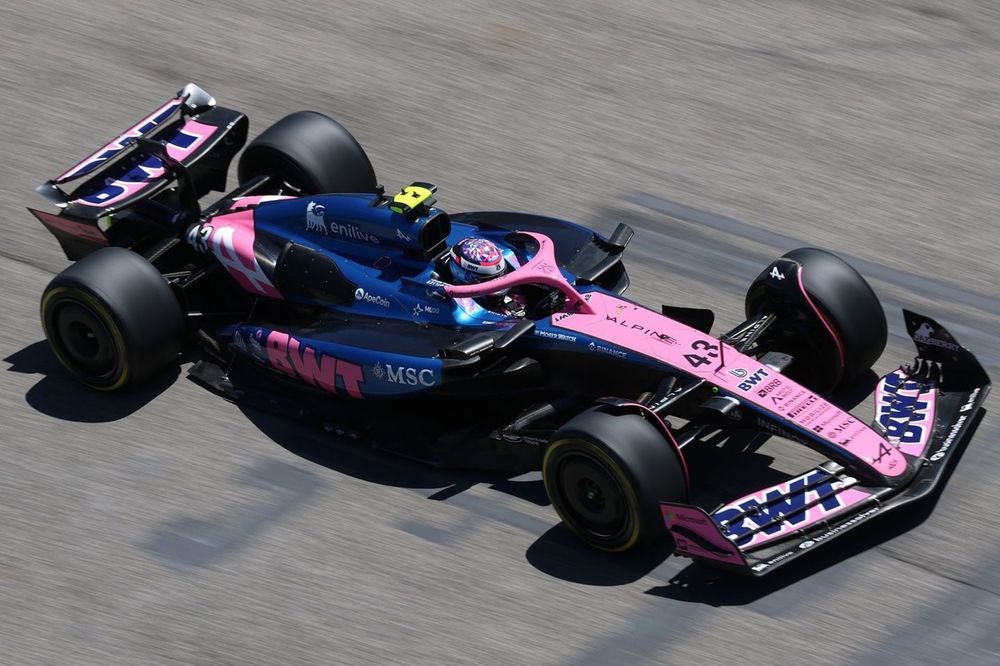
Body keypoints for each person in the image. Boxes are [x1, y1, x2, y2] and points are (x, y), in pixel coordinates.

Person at [447, 236, 526, 316]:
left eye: (501, 275)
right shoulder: (458, 305)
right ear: (462, 274)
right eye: (490, 280)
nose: (499, 283)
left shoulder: (516, 298)